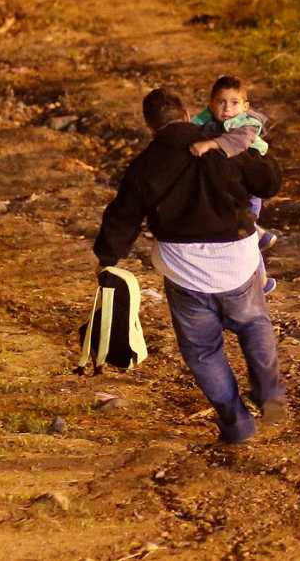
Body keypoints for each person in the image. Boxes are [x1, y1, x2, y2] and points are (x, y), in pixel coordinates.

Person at [93, 88, 287, 444]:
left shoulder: (145, 164)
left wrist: (108, 257)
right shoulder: (219, 143)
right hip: (237, 259)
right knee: (254, 323)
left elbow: (124, 216)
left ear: (150, 126)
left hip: (185, 270)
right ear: (186, 113)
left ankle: (237, 423)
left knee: (202, 351)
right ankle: (270, 392)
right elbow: (269, 182)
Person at [187, 75, 279, 294]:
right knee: (239, 233)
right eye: (221, 102)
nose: (227, 108)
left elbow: (238, 142)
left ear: (245, 106)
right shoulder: (204, 122)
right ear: (211, 103)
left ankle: (257, 238)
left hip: (250, 185)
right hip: (229, 185)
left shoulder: (247, 124)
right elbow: (188, 135)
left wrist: (210, 143)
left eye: (234, 103)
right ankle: (260, 275)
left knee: (244, 235)